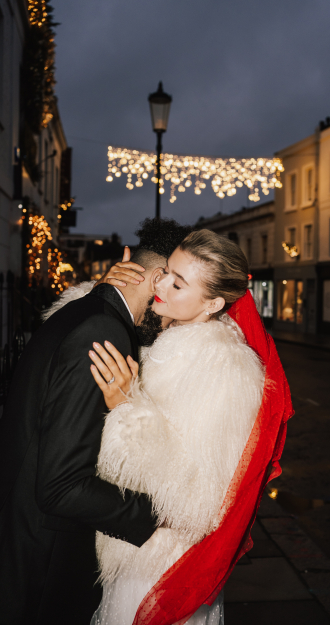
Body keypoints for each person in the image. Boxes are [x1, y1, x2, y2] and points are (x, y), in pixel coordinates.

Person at [62, 228, 291, 625]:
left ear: (213, 303)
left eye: (178, 283)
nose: (161, 284)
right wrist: (105, 292)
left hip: (160, 567)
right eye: (166, 271)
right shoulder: (171, 331)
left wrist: (127, 409)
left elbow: (198, 502)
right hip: (134, 546)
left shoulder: (224, 368)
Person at [0, 218, 192, 625]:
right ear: (158, 278)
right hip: (45, 564)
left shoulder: (84, 312)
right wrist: (161, 516)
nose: (169, 316)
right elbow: (61, 487)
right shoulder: (103, 330)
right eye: (173, 287)